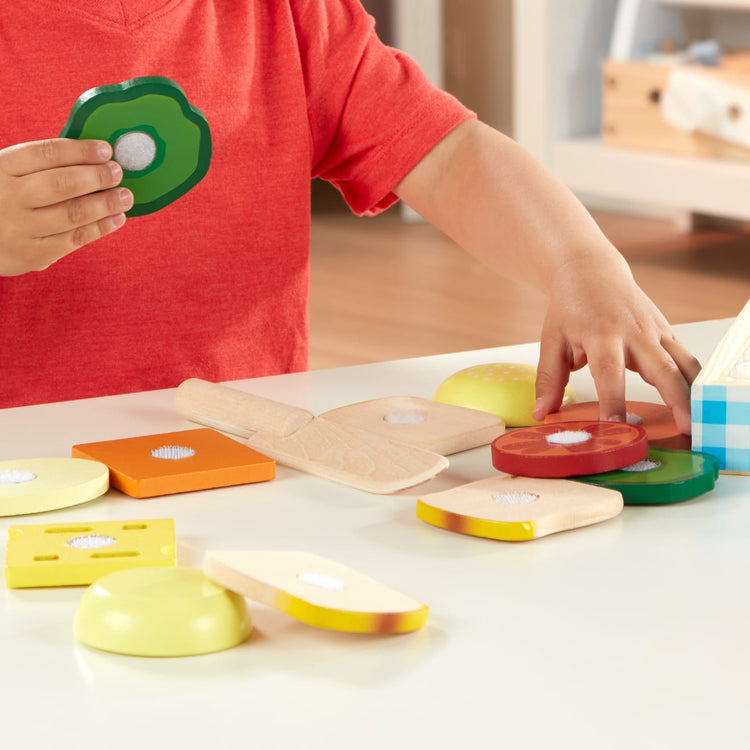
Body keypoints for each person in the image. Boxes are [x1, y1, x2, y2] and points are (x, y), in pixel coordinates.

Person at [0, 0, 700, 433]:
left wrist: (582, 262)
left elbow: (448, 155)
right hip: (28, 465)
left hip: (249, 442)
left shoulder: (290, 14)